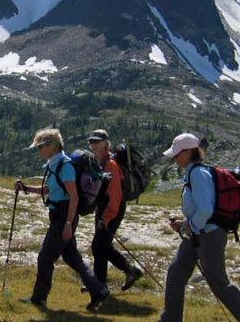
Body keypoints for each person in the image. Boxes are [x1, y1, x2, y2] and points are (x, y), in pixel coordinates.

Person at [145, 133, 240, 322]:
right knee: (176, 272)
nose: (174, 158)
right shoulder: (196, 171)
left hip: (209, 235)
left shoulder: (196, 174)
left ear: (188, 152)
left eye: (177, 154)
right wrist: (187, 225)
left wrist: (190, 226)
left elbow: (206, 209)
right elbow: (202, 209)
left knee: (218, 282)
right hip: (198, 233)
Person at [13, 127, 110, 311]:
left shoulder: (64, 165)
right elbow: (49, 190)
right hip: (60, 215)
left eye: (41, 146)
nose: (39, 150)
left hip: (64, 217)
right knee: (72, 257)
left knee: (45, 257)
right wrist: (25, 188)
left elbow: (73, 197)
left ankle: (39, 298)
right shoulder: (54, 163)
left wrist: (67, 224)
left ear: (52, 146)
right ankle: (98, 290)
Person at [87, 129, 143, 290]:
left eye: (97, 141)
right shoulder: (98, 161)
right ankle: (131, 271)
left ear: (106, 143)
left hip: (113, 209)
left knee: (98, 246)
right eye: (91, 142)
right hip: (104, 207)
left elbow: (115, 196)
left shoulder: (111, 165)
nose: (94, 145)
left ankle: (99, 286)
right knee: (104, 245)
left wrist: (105, 218)